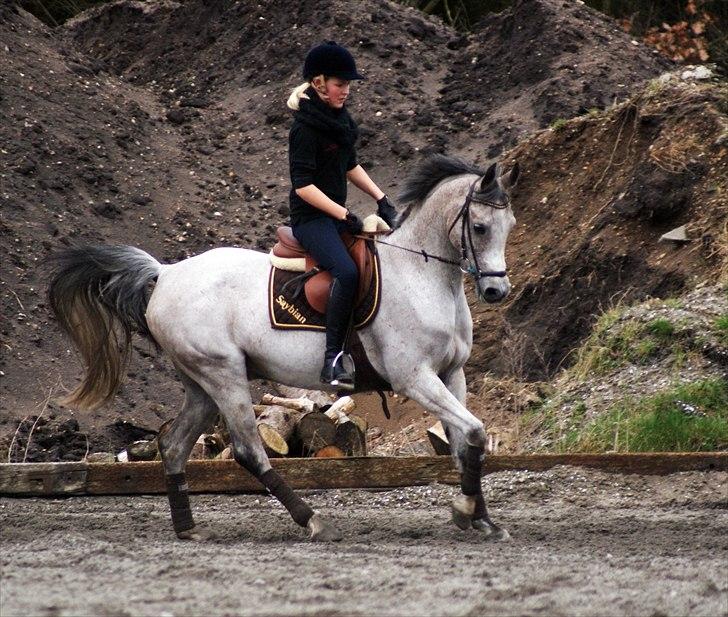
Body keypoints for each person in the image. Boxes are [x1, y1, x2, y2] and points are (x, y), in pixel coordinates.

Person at [286, 41, 397, 390]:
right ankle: (332, 359)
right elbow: (303, 186)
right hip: (311, 220)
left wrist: (382, 198)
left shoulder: (339, 121)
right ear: (319, 83)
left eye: (348, 85)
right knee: (347, 273)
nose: (346, 91)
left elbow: (349, 165)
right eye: (340, 84)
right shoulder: (304, 128)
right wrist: (345, 213)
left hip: (334, 216)